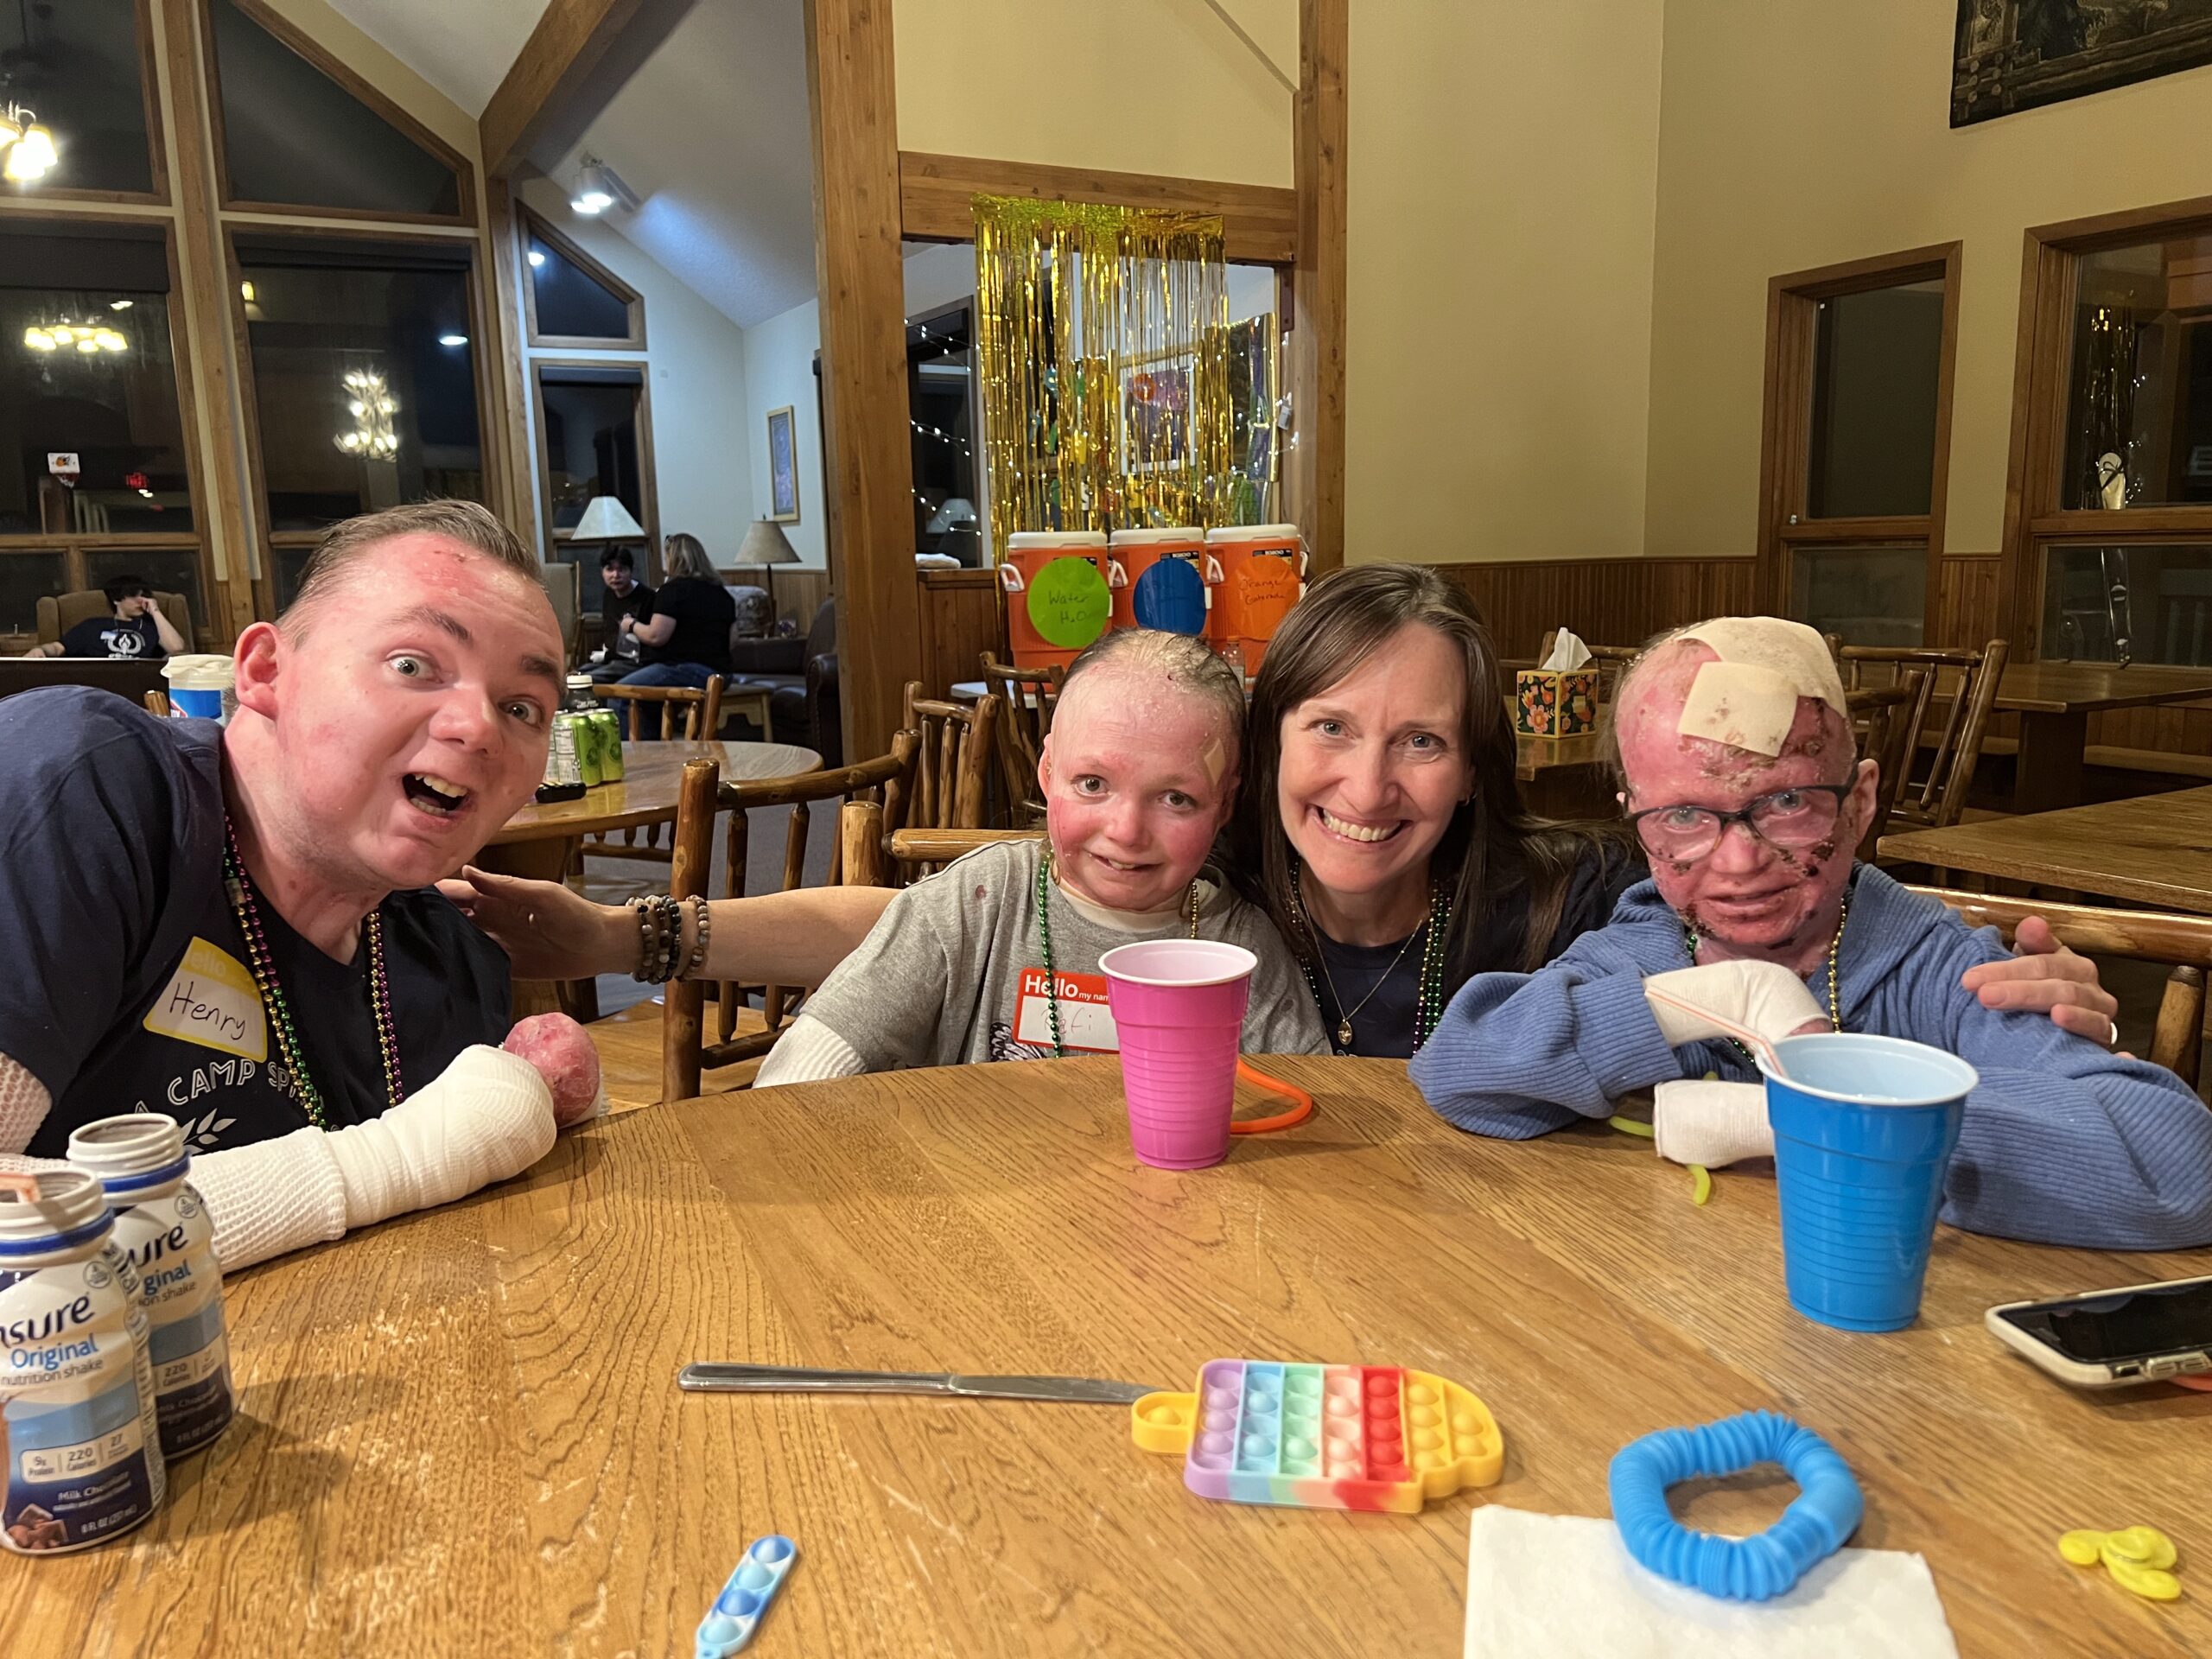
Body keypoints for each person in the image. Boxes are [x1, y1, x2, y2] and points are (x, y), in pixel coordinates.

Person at [1409, 616, 2212, 1251]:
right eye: (1684, 816)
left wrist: (1786, 1118)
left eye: (1788, 804)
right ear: (1635, 822)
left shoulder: (1940, 972)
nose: (1738, 863)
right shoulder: (1651, 946)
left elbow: (2183, 1164)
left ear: (1860, 803)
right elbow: (1461, 1070)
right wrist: (1716, 998)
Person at [0, 501, 580, 1268]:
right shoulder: (84, 783)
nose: (479, 727)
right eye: (412, 664)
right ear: (265, 672)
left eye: (522, 708)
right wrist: (403, 1160)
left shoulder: (447, 960)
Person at [1229, 565, 2117, 1058]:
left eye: (1422, 741)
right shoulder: (1206, 901)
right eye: (1331, 728)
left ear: (1471, 770)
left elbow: (1792, 913)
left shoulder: (1584, 897)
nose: (1368, 785)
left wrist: (1990, 982)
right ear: (1271, 741)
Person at [752, 629, 1325, 1083]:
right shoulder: (978, 903)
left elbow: (1314, 1104)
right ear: (1047, 771)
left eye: (1176, 798)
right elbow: (814, 1061)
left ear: (1225, 804)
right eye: (1093, 784)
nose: (1126, 831)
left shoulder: (1245, 950)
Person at [614, 531, 734, 735]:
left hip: (687, 669)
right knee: (649, 700)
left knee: (620, 694)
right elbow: (733, 641)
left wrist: (631, 625)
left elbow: (657, 636)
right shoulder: (722, 593)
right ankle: (656, 746)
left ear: (673, 559)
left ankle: (637, 756)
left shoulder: (672, 591)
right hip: (722, 673)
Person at [20, 575, 188, 660]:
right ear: (116, 599)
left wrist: (155, 611)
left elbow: (176, 649)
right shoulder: (93, 626)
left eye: (144, 595)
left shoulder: (151, 627)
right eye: (133, 595)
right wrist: (40, 650)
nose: (141, 600)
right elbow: (58, 648)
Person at [588, 545, 656, 683]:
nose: (615, 575)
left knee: (588, 680)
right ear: (602, 572)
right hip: (612, 659)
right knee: (576, 675)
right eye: (610, 569)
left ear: (631, 571)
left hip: (637, 662)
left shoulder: (648, 597)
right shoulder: (609, 594)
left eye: (621, 569)